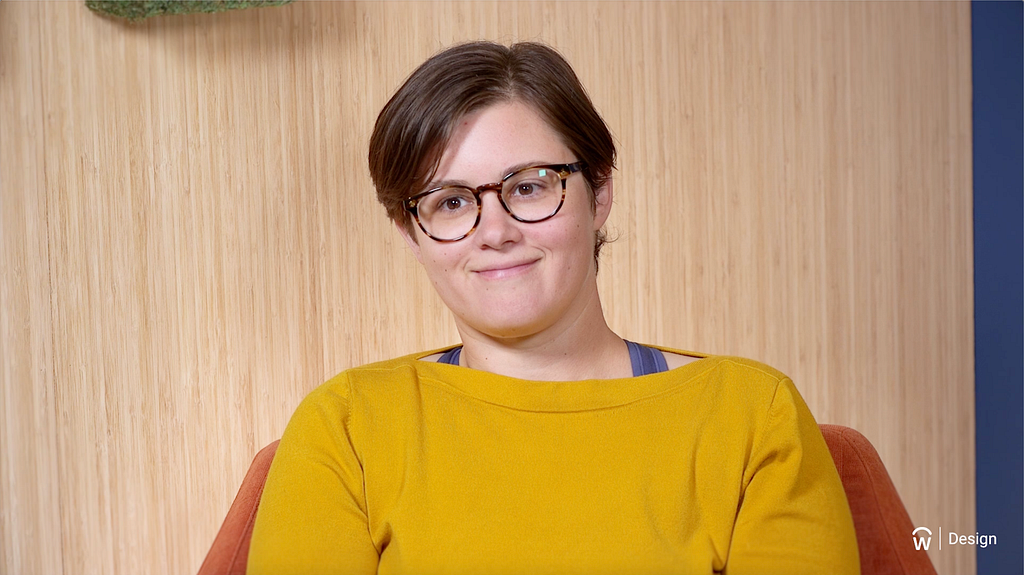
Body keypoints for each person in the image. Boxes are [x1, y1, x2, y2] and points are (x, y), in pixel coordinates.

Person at [247, 41, 860, 575]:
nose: (495, 230)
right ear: (411, 234)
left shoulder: (752, 415)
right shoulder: (347, 425)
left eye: (530, 185)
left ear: (598, 192)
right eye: (452, 202)